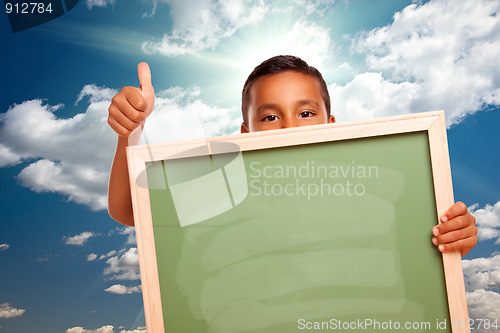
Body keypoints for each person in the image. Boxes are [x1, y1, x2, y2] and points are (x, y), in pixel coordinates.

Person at [107, 55, 477, 256]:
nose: (288, 128)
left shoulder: (376, 194)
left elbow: (426, 243)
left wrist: (454, 234)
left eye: (305, 113)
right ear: (244, 133)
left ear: (330, 124)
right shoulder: (225, 194)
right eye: (269, 117)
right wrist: (131, 132)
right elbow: (127, 210)